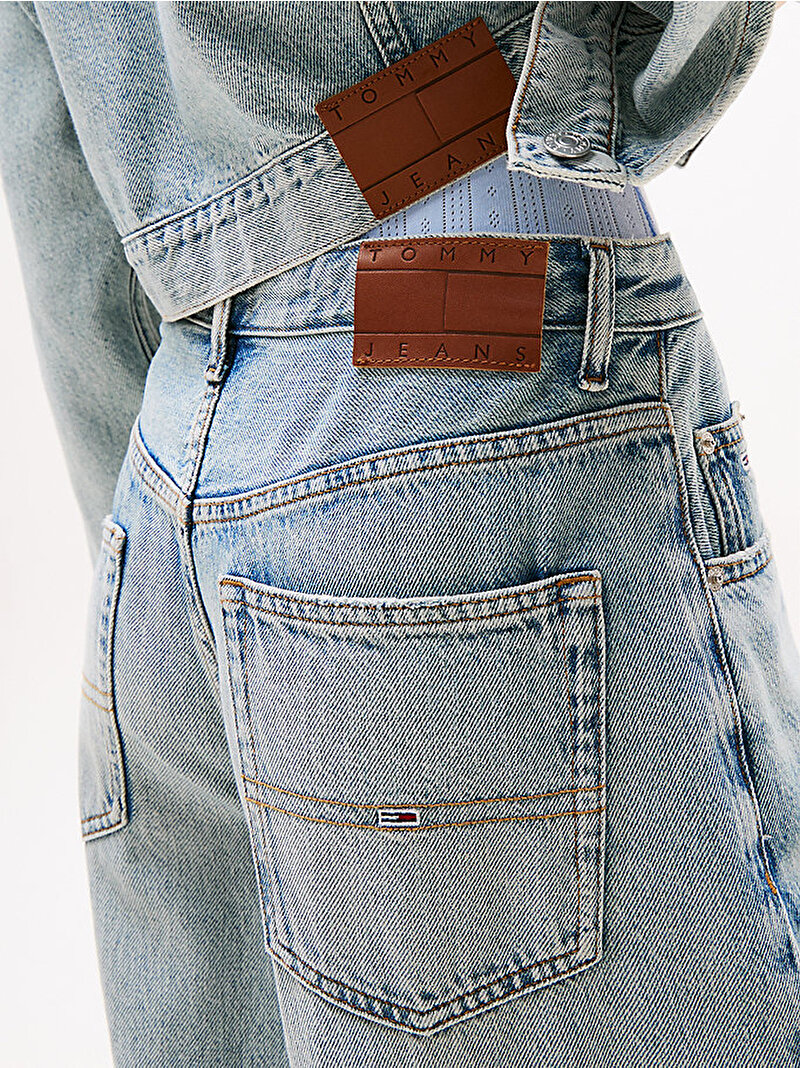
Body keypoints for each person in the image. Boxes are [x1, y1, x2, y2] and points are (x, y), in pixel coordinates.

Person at [0, 3, 798, 1065]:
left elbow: (55, 170)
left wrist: (159, 547)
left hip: (172, 480)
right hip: (456, 394)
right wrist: (582, 87)